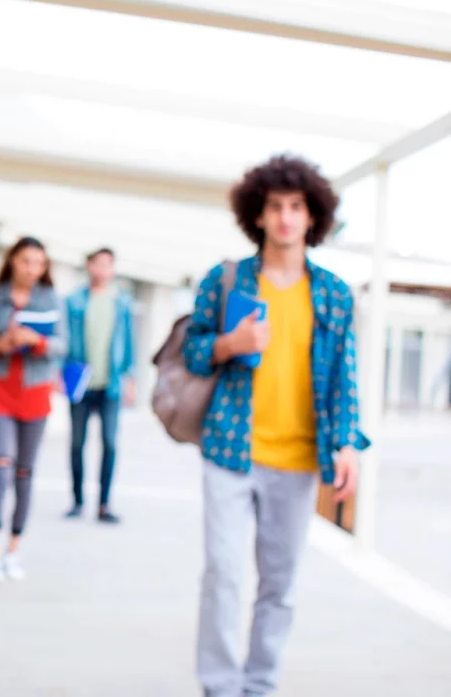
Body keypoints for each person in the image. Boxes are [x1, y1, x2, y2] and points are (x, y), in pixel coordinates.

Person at [184, 155, 369, 697]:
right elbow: (191, 352)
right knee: (223, 575)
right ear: (257, 216)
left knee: (279, 586)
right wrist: (228, 344)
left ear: (313, 217)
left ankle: (259, 685)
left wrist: (347, 446)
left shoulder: (333, 293)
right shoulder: (227, 280)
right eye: (275, 207)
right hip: (229, 450)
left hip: (297, 460)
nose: (286, 218)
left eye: (296, 207)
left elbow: (343, 377)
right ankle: (219, 685)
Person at [0, 237, 65, 585]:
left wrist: (36, 342)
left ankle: (13, 549)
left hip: (35, 396)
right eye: (26, 261)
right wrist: (0, 345)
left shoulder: (51, 300)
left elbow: (62, 345)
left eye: (39, 263)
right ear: (12, 260)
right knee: (1, 467)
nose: (32, 269)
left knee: (24, 473)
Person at [63, 248, 135, 524]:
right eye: (99, 264)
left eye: (109, 265)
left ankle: (104, 504)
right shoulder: (74, 301)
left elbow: (128, 342)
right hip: (80, 383)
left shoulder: (122, 303)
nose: (103, 270)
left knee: (109, 443)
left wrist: (130, 378)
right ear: (89, 265)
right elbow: (67, 339)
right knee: (77, 444)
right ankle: (77, 501)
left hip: (111, 385)